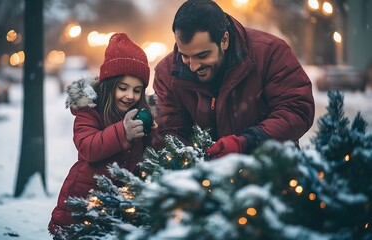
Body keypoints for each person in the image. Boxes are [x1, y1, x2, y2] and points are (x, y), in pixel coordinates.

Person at [153, 0, 315, 157]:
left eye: (202, 55)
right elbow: (170, 132)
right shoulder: (166, 73)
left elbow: (296, 109)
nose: (193, 66)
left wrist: (248, 142)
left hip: (270, 172)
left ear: (224, 40)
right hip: (201, 179)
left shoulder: (270, 53)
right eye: (184, 56)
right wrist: (199, 160)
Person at [48, 33, 156, 236]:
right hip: (85, 203)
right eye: (123, 88)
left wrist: (152, 132)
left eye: (137, 90)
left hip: (121, 207)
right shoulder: (89, 110)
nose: (130, 96)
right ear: (109, 85)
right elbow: (88, 147)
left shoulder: (140, 116)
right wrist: (122, 132)